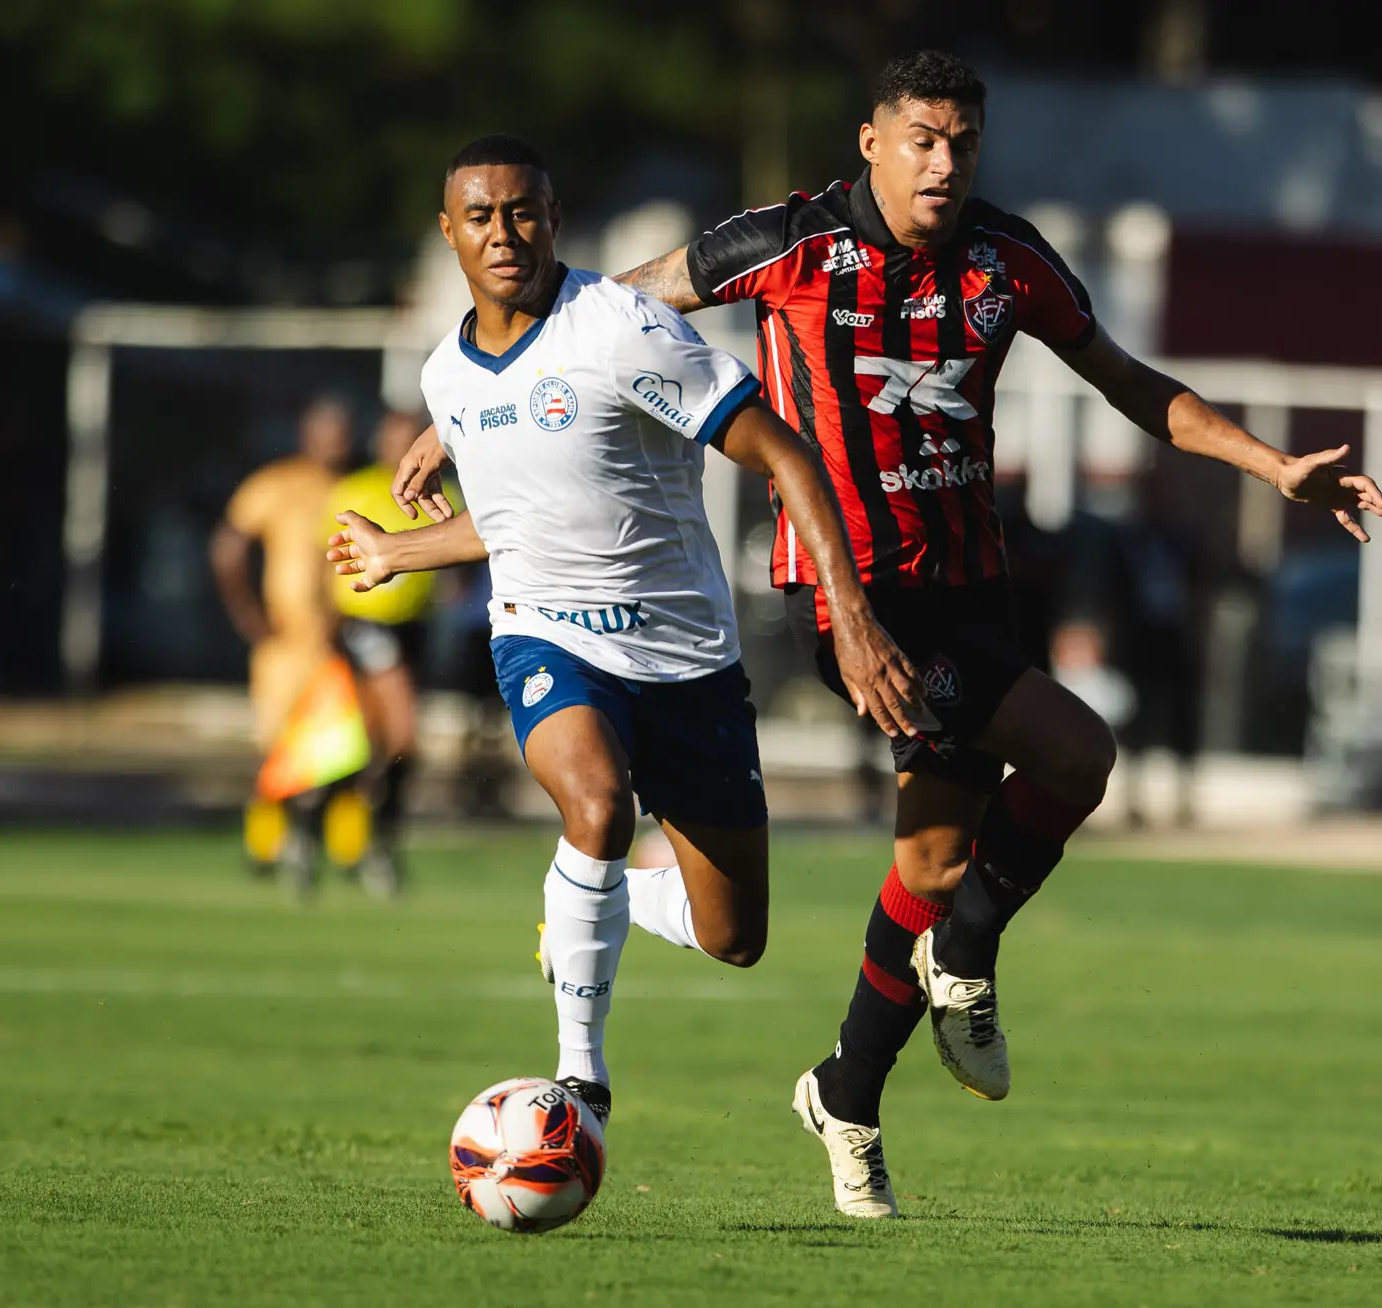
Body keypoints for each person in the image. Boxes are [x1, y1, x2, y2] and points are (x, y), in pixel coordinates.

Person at [397, 52, 1382, 1218]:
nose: (942, 162)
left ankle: (846, 1089)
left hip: (970, 588)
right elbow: (603, 310)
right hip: (848, 597)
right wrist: (457, 403)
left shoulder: (1003, 259)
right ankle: (964, 961)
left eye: (961, 142)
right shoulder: (785, 243)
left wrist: (1271, 464)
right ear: (869, 142)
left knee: (925, 865)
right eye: (919, 139)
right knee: (1076, 754)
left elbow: (1127, 382)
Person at [328, 135, 927, 1130]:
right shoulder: (447, 376)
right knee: (596, 806)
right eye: (478, 217)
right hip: (547, 638)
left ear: (553, 218)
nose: (502, 233)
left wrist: (854, 617)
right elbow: (521, 518)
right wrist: (402, 552)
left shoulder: (620, 331)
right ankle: (579, 1080)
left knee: (733, 935)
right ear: (448, 233)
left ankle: (584, 906)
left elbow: (781, 450)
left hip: (687, 663)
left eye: (521, 211)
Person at [212, 397, 354, 879]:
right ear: (306, 434)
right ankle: (265, 847)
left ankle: (343, 850)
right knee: (276, 748)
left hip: (336, 643)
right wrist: (250, 617)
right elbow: (229, 546)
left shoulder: (353, 487)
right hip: (285, 643)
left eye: (343, 431)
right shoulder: (278, 483)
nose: (336, 441)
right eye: (327, 430)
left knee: (342, 752)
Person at [322, 409, 449, 897]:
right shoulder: (356, 489)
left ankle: (321, 824)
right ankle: (373, 843)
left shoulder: (444, 492)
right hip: (367, 624)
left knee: (375, 746)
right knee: (404, 737)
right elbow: (326, 558)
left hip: (414, 630)